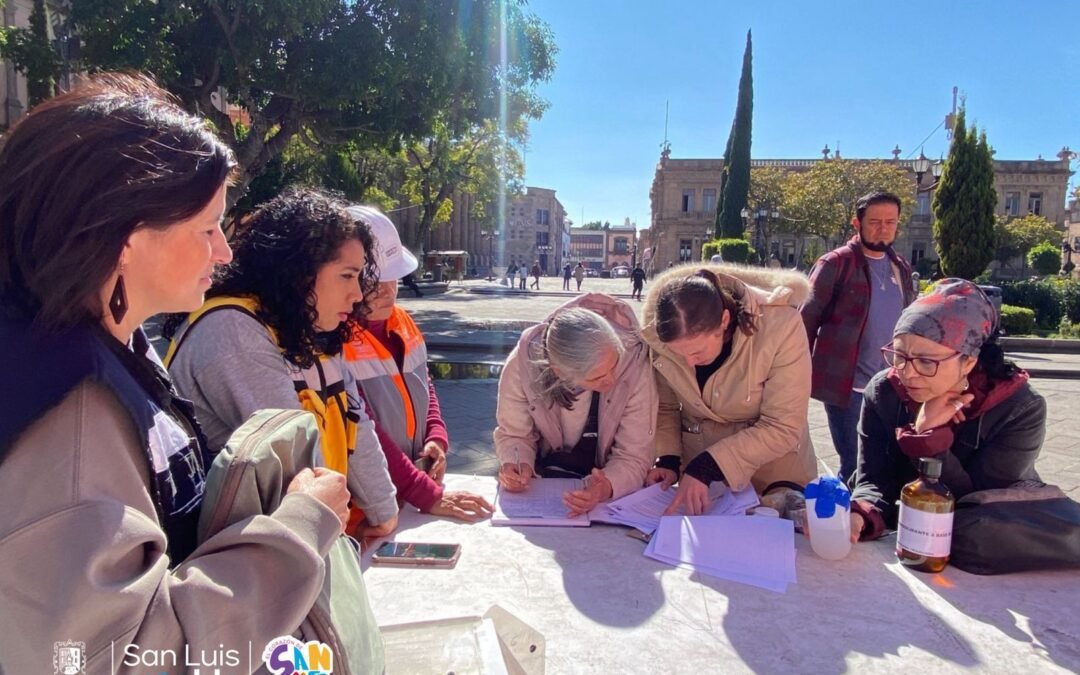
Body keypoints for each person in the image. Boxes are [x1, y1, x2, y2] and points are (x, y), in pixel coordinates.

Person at [0, 74, 350, 672]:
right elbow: (116, 660)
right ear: (126, 240)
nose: (224, 251)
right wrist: (299, 528)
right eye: (206, 228)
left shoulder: (112, 343)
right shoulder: (69, 410)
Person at [165, 189, 400, 540]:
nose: (357, 294)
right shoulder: (233, 330)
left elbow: (357, 423)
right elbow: (293, 461)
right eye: (347, 276)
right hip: (245, 556)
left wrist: (384, 512)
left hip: (305, 539)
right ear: (301, 273)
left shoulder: (311, 325)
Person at [850, 279, 1045, 542]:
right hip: (902, 536)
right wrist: (860, 514)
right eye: (899, 356)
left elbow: (979, 508)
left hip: (981, 548)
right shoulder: (885, 390)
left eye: (926, 362)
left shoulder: (1018, 408)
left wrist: (929, 439)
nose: (907, 373)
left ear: (968, 362)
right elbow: (872, 477)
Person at [343, 205, 493, 522]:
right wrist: (424, 492)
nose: (387, 289)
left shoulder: (402, 322)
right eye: (373, 280)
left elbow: (426, 387)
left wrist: (436, 437)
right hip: (365, 505)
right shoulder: (335, 337)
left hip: (409, 490)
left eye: (393, 277)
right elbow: (362, 429)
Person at [641, 265, 817, 513]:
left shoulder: (781, 327)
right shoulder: (660, 336)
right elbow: (667, 407)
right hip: (703, 484)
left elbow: (784, 425)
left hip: (774, 476)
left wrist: (707, 466)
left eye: (697, 352)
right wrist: (668, 460)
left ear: (724, 320)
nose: (689, 362)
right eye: (679, 354)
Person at [495, 295, 658, 515]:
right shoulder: (522, 364)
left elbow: (635, 453)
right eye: (597, 378)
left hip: (607, 494)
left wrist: (607, 486)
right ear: (558, 371)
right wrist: (516, 463)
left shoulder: (634, 361)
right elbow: (514, 434)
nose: (611, 381)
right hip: (544, 482)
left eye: (614, 365)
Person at [799, 191, 916, 483]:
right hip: (847, 385)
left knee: (888, 457)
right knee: (854, 462)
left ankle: (873, 517)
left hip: (892, 384)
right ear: (857, 222)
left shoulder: (899, 266)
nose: (883, 228)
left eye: (890, 222)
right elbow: (805, 320)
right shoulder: (835, 264)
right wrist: (795, 373)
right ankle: (846, 521)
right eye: (875, 221)